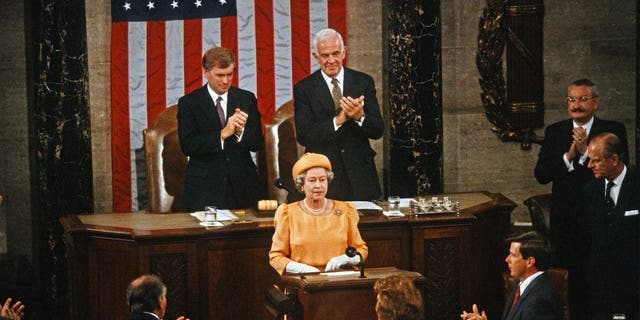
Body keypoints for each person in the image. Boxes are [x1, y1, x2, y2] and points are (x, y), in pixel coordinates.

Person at [533, 78, 628, 318]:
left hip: (603, 218)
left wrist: (586, 152)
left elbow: (618, 171)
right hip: (567, 222)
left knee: (602, 282)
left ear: (595, 102)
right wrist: (568, 156)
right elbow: (541, 175)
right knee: (571, 285)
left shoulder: (613, 130)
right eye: (571, 99)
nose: (576, 104)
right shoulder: (555, 132)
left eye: (583, 99)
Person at [293, 28, 384, 201]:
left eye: (335, 54)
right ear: (315, 56)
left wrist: (359, 116)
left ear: (344, 52)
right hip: (325, 178)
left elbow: (378, 130)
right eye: (325, 55)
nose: (331, 60)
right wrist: (339, 120)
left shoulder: (363, 81)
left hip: (361, 177)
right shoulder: (304, 88)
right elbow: (304, 136)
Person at [177, 46, 264, 211]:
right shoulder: (189, 103)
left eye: (229, 74)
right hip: (205, 189)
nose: (225, 81)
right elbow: (188, 145)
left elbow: (257, 142)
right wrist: (223, 134)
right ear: (205, 72)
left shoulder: (246, 98)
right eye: (220, 75)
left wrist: (240, 131)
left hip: (243, 187)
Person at [269, 153, 368, 274]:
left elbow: (361, 250)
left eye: (322, 180)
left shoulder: (345, 210)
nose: (318, 185)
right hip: (303, 282)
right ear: (301, 185)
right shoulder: (288, 214)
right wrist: (301, 269)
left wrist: (347, 259)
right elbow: (276, 257)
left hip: (339, 280)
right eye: (312, 180)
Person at [583, 132, 638, 320]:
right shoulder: (590, 190)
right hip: (600, 288)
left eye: (596, 161)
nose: (589, 165)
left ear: (614, 159)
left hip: (634, 285)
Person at [461, 231, 562, 320]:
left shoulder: (541, 301)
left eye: (513, 255)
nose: (507, 259)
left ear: (530, 262)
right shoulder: (523, 285)